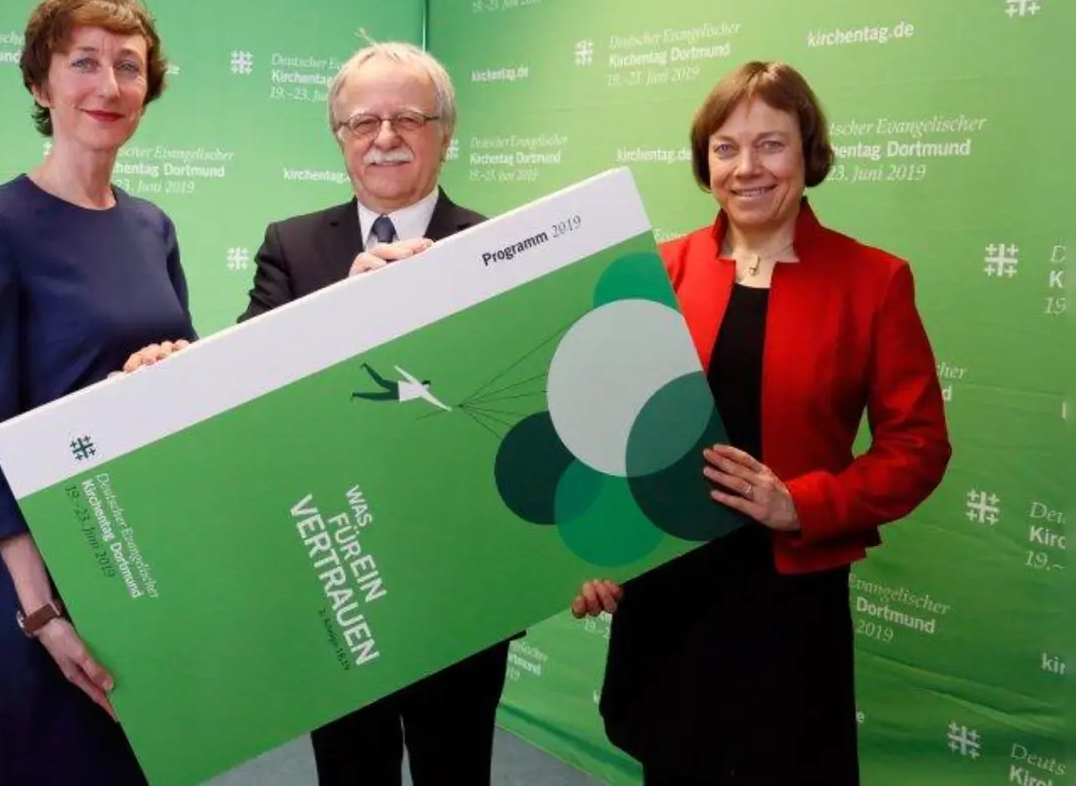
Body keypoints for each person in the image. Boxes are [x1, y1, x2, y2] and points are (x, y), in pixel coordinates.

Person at [571, 60, 953, 785]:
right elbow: (604, 432)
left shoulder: (874, 281)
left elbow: (920, 445)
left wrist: (802, 502)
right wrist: (594, 549)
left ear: (809, 155)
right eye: (726, 147)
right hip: (667, 589)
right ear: (704, 160)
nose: (747, 167)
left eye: (771, 144)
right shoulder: (659, 270)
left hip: (785, 599)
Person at [238, 41, 512, 784]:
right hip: (337, 579)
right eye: (362, 122)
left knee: (457, 770)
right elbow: (249, 395)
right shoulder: (292, 247)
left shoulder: (499, 248)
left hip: (461, 587)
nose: (384, 137)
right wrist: (341, 314)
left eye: (407, 118)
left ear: (445, 132)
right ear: (339, 137)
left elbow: (512, 409)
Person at [0, 0, 194, 786]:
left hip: (142, 558)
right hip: (46, 577)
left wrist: (167, 375)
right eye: (84, 63)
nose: (110, 86)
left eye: (129, 66)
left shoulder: (152, 225)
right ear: (40, 84)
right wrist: (43, 616)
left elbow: (181, 387)